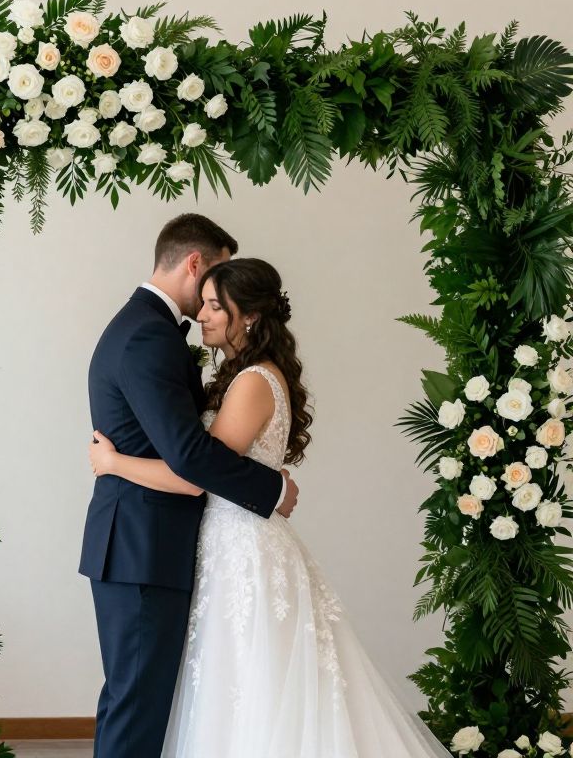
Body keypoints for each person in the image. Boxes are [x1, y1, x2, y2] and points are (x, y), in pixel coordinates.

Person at [89, 257, 454, 758]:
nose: (202, 315)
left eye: (216, 306)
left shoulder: (253, 382)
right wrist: (273, 488)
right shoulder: (244, 377)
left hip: (243, 548)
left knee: (251, 684)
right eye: (205, 303)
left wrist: (112, 463)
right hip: (227, 542)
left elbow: (194, 473)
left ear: (251, 317)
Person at [79, 215, 299, 758]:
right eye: (217, 278)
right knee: (137, 706)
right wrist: (272, 489)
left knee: (146, 702)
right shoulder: (148, 335)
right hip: (143, 548)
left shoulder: (148, 328)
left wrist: (114, 463)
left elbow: (189, 453)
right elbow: (188, 458)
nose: (207, 305)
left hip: (152, 546)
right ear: (197, 263)